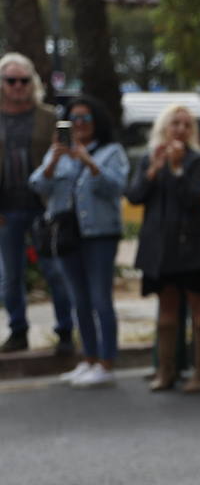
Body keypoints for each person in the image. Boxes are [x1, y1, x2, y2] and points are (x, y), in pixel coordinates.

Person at [28, 96, 129, 388]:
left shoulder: (111, 152)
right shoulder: (57, 151)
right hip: (67, 235)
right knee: (78, 301)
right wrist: (56, 159)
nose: (80, 124)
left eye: (86, 118)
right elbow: (37, 185)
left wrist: (87, 161)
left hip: (99, 235)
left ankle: (107, 361)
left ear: (97, 121)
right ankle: (88, 359)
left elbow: (116, 187)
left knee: (100, 300)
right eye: (73, 119)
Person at [128, 104, 200, 393]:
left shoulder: (198, 159)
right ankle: (166, 371)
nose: (180, 129)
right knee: (167, 307)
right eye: (174, 123)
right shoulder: (150, 157)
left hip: (190, 244)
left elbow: (193, 199)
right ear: (163, 127)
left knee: (199, 304)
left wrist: (177, 169)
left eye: (186, 124)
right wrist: (154, 169)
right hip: (159, 245)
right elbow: (135, 195)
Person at [0, 51, 73, 354]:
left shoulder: (50, 116)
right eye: (11, 80)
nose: (18, 86)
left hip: (44, 205)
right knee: (10, 276)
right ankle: (18, 331)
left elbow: (66, 155)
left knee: (55, 271)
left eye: (23, 80)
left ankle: (66, 332)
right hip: (6, 208)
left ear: (33, 82)